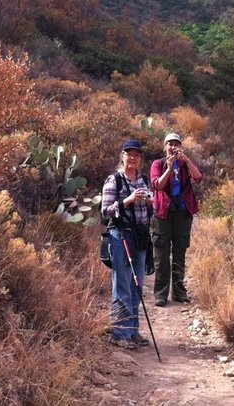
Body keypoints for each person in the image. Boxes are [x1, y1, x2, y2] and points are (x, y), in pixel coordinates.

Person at [100, 139, 153, 349]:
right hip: (120, 235)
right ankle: (119, 333)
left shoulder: (143, 180)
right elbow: (105, 211)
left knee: (136, 285)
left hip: (140, 237)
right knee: (121, 284)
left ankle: (132, 332)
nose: (133, 158)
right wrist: (128, 200)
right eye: (129, 154)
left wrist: (150, 204)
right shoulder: (114, 180)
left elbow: (152, 212)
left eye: (137, 155)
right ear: (122, 155)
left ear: (140, 158)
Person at [150, 132, 203, 307]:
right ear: (164, 146)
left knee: (179, 253)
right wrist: (168, 167)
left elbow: (198, 178)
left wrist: (187, 161)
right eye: (170, 144)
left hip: (182, 213)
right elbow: (157, 184)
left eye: (176, 144)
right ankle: (160, 294)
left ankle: (179, 293)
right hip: (163, 213)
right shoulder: (158, 164)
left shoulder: (184, 164)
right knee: (162, 255)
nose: (173, 147)